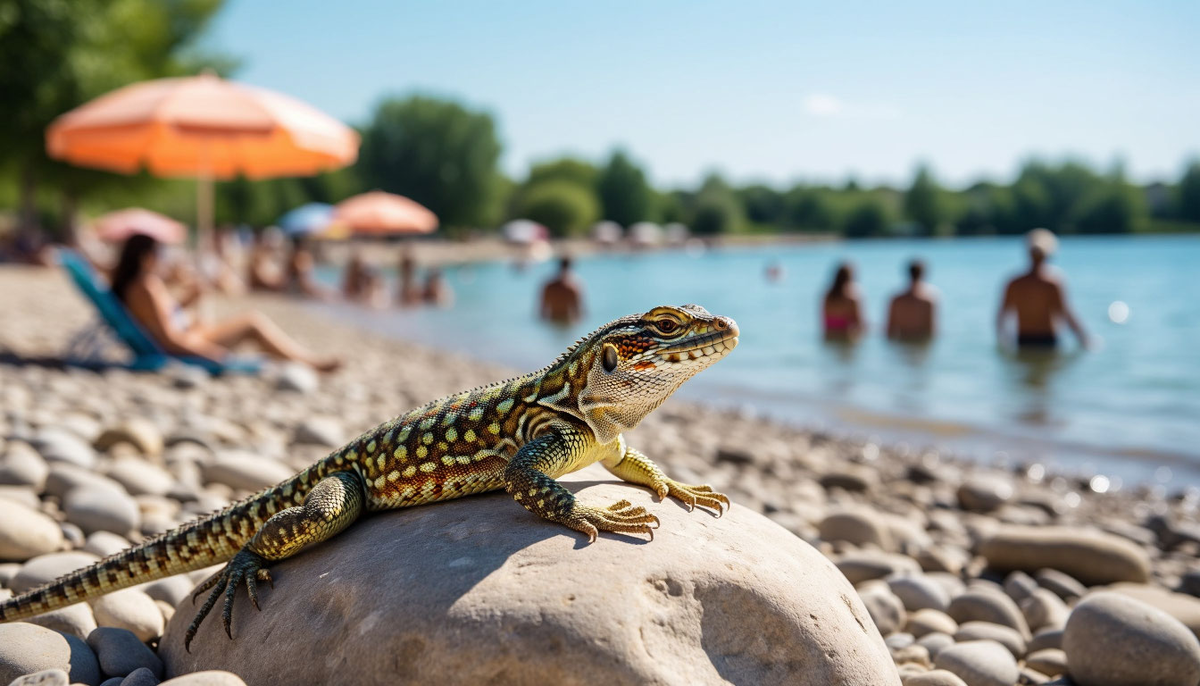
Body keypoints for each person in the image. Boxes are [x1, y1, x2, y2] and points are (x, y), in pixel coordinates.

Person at [110, 234, 340, 371]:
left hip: (187, 333)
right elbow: (170, 340)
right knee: (252, 322)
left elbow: (157, 319)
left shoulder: (137, 285)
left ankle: (301, 360)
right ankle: (309, 362)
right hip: (185, 343)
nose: (163, 260)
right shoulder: (146, 286)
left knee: (233, 319)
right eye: (160, 254)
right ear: (145, 257)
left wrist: (188, 301)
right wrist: (214, 356)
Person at [996, 228, 1089, 349]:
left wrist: (1003, 341)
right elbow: (1067, 315)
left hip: (1023, 340)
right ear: (1049, 254)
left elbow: (1001, 317)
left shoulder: (1014, 283)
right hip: (1048, 340)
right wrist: (1085, 338)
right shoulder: (1053, 283)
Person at [886, 259, 937, 341]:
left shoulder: (896, 299)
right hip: (920, 342)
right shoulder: (928, 301)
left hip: (901, 341)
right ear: (923, 274)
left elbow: (889, 329)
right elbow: (931, 330)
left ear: (908, 274)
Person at [822, 261, 865, 340]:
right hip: (847, 337)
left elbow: (823, 321)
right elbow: (860, 323)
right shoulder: (852, 298)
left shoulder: (827, 296)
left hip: (829, 335)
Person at [539, 256, 584, 325]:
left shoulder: (549, 285)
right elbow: (578, 311)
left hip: (552, 320)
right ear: (570, 266)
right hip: (567, 321)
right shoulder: (573, 286)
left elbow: (542, 309)